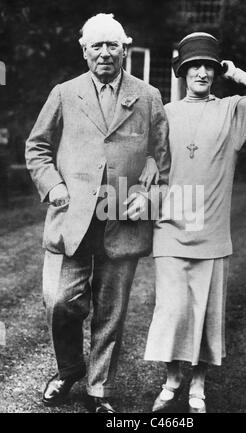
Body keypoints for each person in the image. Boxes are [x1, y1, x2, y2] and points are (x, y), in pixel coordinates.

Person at [25, 13, 169, 413]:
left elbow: (162, 160)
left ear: (126, 47)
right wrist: (53, 185)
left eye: (113, 45)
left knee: (111, 312)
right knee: (58, 302)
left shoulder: (149, 96)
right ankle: (69, 368)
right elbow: (37, 147)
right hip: (72, 219)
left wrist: (149, 197)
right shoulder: (64, 94)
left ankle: (99, 389)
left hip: (121, 223)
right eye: (97, 46)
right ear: (84, 49)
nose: (105, 53)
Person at [144, 32, 246, 413]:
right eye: (194, 66)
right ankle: (172, 380)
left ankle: (198, 385)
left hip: (212, 231)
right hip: (170, 228)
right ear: (183, 72)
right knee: (172, 310)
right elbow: (152, 166)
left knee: (205, 313)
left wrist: (236, 73)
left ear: (216, 71)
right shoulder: (167, 114)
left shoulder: (232, 111)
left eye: (208, 66)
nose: (202, 72)